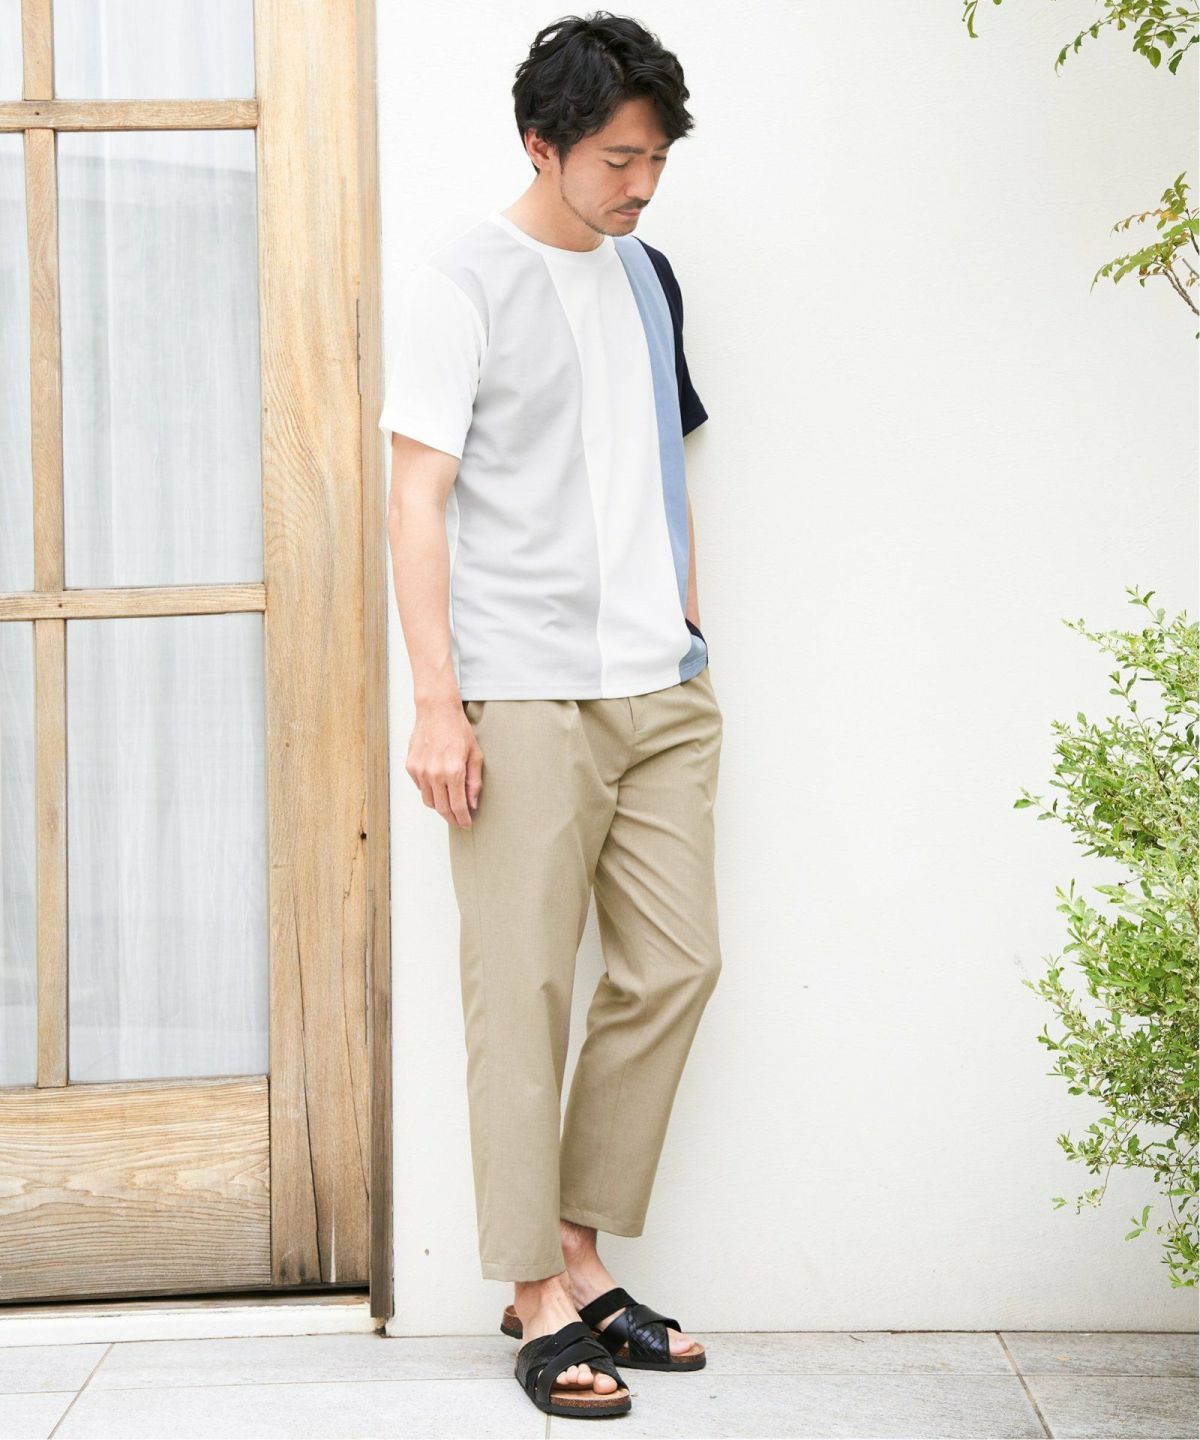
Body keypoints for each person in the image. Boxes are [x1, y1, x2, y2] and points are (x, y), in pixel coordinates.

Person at [381, 10, 723, 1420]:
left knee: (676, 968)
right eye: (617, 160)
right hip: (521, 689)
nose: (641, 185)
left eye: (656, 160)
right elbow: (416, 499)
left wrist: (691, 629)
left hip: (663, 689)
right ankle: (534, 1291)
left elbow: (667, 467)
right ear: (543, 145)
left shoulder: (651, 277)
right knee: (519, 990)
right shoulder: (461, 281)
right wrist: (437, 706)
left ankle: (581, 1248)